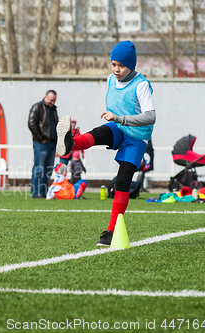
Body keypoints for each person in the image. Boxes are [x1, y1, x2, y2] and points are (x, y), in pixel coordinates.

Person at [55, 40, 156, 246]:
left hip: (136, 136)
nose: (116, 69)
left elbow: (151, 116)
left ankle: (110, 231)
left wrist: (120, 118)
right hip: (117, 127)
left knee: (123, 180)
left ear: (132, 65)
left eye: (121, 65)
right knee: (95, 135)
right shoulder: (111, 79)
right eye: (113, 64)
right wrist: (117, 120)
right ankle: (69, 143)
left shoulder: (141, 85)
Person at [28, 90, 59, 198]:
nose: (52, 102)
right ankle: (36, 192)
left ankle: (43, 191)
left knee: (49, 169)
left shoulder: (54, 109)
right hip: (41, 143)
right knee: (39, 168)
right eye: (51, 100)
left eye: (54, 100)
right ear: (46, 97)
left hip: (51, 143)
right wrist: (41, 138)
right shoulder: (37, 107)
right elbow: (31, 123)